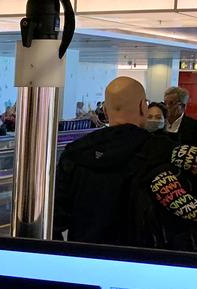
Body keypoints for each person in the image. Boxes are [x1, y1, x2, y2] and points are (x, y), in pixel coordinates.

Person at [52, 77, 176, 246]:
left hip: (85, 257)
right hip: (143, 259)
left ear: (104, 109)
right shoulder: (163, 151)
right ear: (143, 107)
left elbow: (56, 217)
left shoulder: (75, 152)